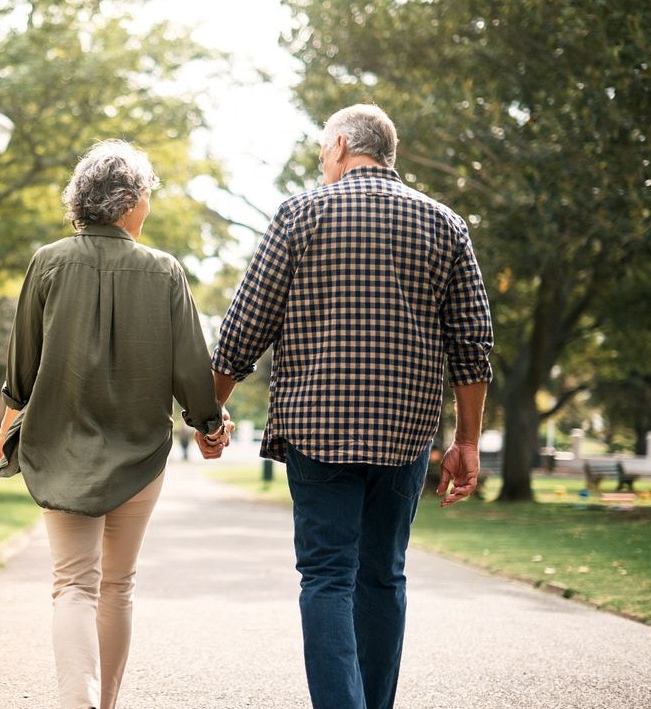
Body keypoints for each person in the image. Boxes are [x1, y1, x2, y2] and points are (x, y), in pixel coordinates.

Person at [210, 104, 494, 709]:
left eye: (321, 152)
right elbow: (473, 346)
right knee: (384, 575)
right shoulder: (445, 224)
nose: (321, 163)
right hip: (406, 435)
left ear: (340, 145)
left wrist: (209, 415)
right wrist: (466, 442)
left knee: (328, 576)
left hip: (318, 430)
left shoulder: (300, 214)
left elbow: (242, 332)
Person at [0, 139, 230, 709]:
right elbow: (191, 368)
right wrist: (208, 425)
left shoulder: (48, 262)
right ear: (129, 202)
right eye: (145, 195)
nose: (147, 206)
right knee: (116, 586)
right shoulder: (166, 271)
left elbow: (23, 363)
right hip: (139, 454)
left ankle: (77, 702)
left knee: (72, 584)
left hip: (59, 446)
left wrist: (7, 425)